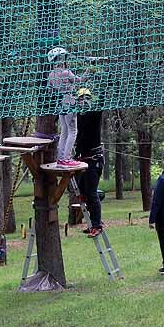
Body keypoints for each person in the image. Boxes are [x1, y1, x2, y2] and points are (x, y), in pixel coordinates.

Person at [46, 47, 86, 167]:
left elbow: (49, 91)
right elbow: (81, 80)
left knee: (64, 131)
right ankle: (66, 158)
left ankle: (61, 158)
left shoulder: (51, 75)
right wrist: (90, 69)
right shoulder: (66, 72)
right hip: (69, 103)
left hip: (60, 105)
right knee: (72, 132)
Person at [73, 91, 105, 236]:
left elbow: (101, 105)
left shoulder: (94, 114)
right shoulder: (78, 117)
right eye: (81, 99)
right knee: (82, 190)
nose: (83, 102)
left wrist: (103, 89)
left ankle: (97, 225)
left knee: (91, 193)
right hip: (84, 159)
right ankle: (92, 222)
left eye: (86, 99)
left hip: (94, 160)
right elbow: (79, 137)